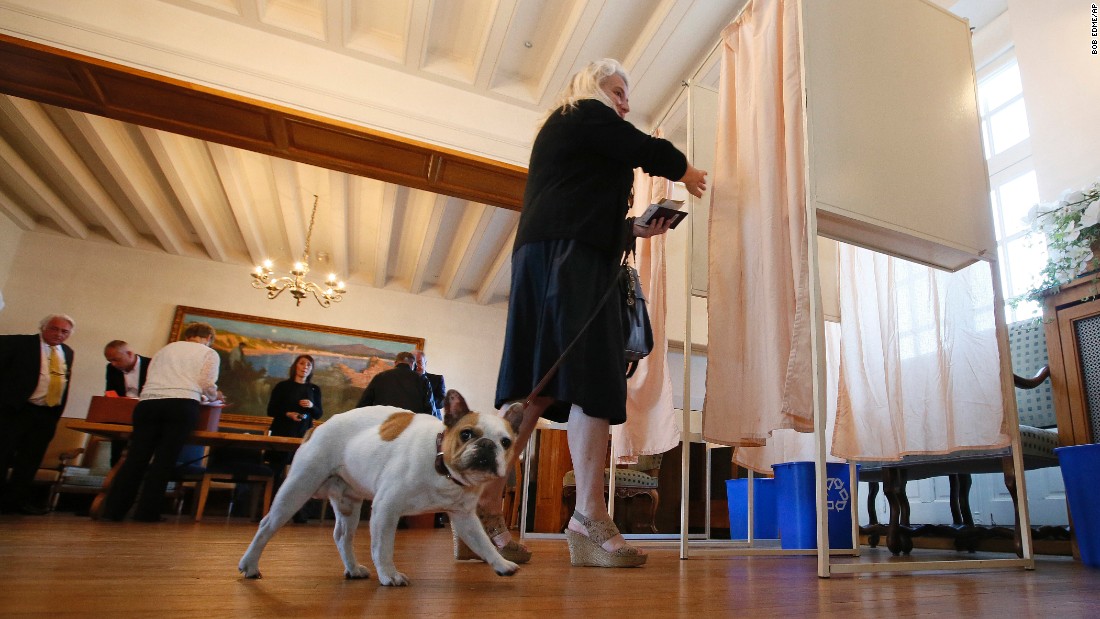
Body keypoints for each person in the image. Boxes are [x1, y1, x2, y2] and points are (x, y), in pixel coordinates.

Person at [487, 58, 707, 567]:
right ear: (592, 88)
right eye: (617, 90)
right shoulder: (583, 113)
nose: (625, 102)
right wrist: (685, 170)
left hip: (560, 255)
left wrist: (632, 229)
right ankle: (583, 518)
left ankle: (484, 511)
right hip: (568, 260)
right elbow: (644, 148)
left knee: (538, 387)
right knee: (581, 378)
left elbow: (582, 204)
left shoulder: (575, 134)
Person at [102, 322, 221, 522]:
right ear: (208, 338)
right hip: (181, 406)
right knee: (164, 461)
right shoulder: (208, 353)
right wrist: (214, 396)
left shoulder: (164, 350)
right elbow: (206, 383)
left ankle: (113, 511)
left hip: (147, 404)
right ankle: (146, 513)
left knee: (136, 458)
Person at [0, 314, 76, 515]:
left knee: (30, 459)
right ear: (43, 328)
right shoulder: (18, 343)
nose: (59, 334)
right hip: (16, 411)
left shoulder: (68, 352)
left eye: (64, 331)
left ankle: (15, 502)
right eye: (54, 329)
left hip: (46, 414)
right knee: (3, 453)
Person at [265, 354, 323, 523]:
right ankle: (270, 511)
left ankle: (299, 514)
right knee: (277, 469)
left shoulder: (314, 389)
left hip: (303, 433)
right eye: (302, 363)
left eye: (309, 365)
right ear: (295, 366)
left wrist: (311, 406)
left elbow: (319, 413)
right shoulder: (282, 386)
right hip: (282, 430)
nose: (305, 367)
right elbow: (271, 409)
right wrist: (287, 413)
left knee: (301, 473)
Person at [103, 340, 151, 465]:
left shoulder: (151, 365)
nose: (113, 364)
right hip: (121, 416)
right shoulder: (112, 369)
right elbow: (111, 391)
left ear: (130, 354)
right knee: (117, 456)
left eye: (116, 359)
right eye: (110, 361)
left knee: (139, 458)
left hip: (146, 416)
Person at [356, 351, 433, 415]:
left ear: (395, 362)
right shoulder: (422, 380)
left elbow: (363, 405)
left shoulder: (380, 377)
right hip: (410, 426)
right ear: (413, 364)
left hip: (383, 425)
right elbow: (429, 410)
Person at [414, 350, 446, 419]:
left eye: (419, 362)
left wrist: (427, 399)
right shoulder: (405, 380)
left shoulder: (437, 379)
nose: (416, 366)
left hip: (432, 418)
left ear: (425, 363)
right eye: (413, 363)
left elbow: (442, 402)